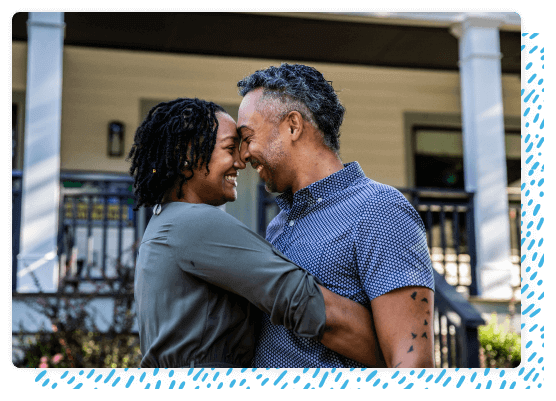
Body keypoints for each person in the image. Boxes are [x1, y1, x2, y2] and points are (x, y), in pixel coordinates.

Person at [128, 97, 384, 369]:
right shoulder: (193, 223)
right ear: (186, 158)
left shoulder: (164, 223)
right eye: (230, 148)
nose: (241, 161)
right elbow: (307, 305)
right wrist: (397, 354)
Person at [236, 63, 436, 369]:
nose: (243, 154)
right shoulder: (279, 226)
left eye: (248, 137)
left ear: (293, 125)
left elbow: (411, 360)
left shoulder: (380, 209)